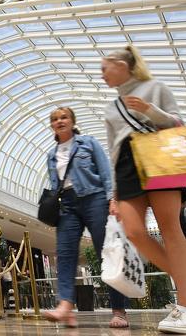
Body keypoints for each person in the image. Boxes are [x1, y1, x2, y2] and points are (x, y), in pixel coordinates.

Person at [103, 44, 186, 334]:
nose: (102, 74)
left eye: (105, 67)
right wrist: (114, 193)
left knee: (169, 227)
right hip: (125, 162)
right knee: (135, 232)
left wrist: (150, 109)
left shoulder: (155, 87)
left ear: (123, 65)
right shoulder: (111, 106)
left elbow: (177, 123)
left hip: (158, 152)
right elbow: (112, 148)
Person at [42, 107, 128, 329]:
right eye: (55, 119)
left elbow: (105, 172)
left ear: (72, 121)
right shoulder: (52, 155)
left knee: (106, 253)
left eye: (64, 117)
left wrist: (112, 199)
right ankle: (66, 307)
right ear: (52, 125)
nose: (59, 121)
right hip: (67, 205)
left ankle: (119, 310)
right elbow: (55, 185)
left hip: (95, 198)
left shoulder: (88, 143)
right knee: (65, 254)